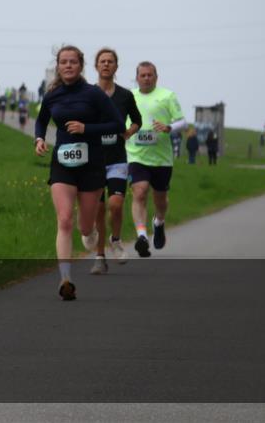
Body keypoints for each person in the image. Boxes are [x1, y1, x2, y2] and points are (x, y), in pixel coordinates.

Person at [34, 45, 123, 299]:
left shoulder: (94, 94)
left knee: (84, 227)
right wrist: (39, 138)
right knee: (64, 220)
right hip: (62, 163)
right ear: (58, 66)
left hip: (91, 165)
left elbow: (117, 124)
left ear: (81, 65)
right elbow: (41, 119)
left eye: (73, 62)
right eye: (64, 62)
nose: (68, 66)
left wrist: (86, 129)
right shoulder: (52, 95)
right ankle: (65, 280)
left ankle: (92, 234)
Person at [125, 61, 186, 258]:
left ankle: (159, 222)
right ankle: (142, 236)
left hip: (161, 158)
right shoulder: (129, 96)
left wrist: (169, 128)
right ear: (137, 78)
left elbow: (182, 122)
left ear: (156, 77)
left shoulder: (167, 96)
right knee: (140, 192)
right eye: (142, 75)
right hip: (136, 155)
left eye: (150, 75)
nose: (146, 78)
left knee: (160, 200)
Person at [93, 48, 142, 272]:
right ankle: (99, 257)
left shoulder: (125, 95)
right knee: (98, 210)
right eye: (102, 61)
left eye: (110, 61)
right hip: (92, 160)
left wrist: (128, 133)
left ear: (116, 67)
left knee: (115, 204)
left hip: (117, 158)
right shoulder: (88, 93)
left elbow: (137, 120)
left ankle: (116, 239)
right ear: (96, 66)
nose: (106, 65)